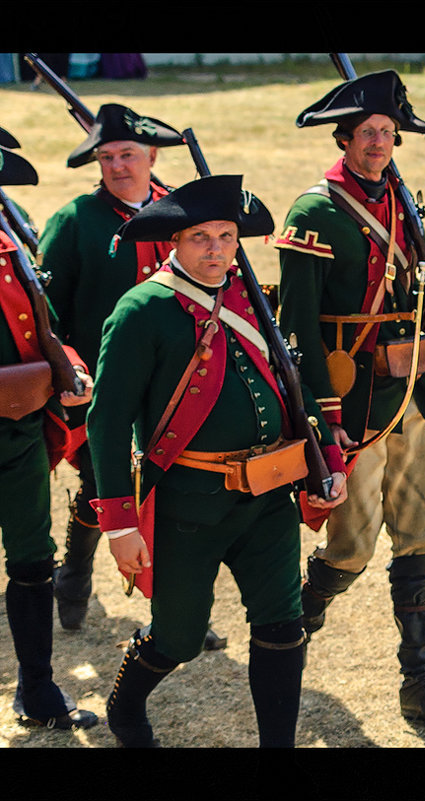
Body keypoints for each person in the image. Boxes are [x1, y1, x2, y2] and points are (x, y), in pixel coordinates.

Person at [87, 174, 348, 747]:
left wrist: (327, 457)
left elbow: (292, 381)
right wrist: (120, 524)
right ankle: (126, 709)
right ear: (174, 243)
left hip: (268, 497)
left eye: (226, 236)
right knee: (176, 640)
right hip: (188, 505)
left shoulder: (249, 295)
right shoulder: (142, 310)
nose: (215, 249)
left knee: (282, 626)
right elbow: (105, 421)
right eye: (200, 237)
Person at [275, 69, 425, 734]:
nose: (378, 144)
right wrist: (323, 417)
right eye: (367, 133)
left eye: (387, 133)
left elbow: (418, 275)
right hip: (351, 400)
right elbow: (300, 328)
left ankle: (418, 680)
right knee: (350, 549)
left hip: (408, 389)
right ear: (344, 137)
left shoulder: (400, 199)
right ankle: (289, 633)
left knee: (421, 534)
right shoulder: (314, 211)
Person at [39, 104, 221, 651]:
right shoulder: (74, 222)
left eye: (127, 154)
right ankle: (76, 565)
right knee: (104, 484)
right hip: (104, 384)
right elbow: (46, 312)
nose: (117, 166)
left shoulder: (180, 213)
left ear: (152, 156)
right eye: (106, 157)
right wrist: (69, 363)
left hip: (177, 385)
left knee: (172, 499)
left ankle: (177, 611)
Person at [0, 129, 98, 733]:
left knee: (33, 561)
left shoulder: (9, 239)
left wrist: (69, 364)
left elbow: (39, 324)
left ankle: (36, 687)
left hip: (18, 426)